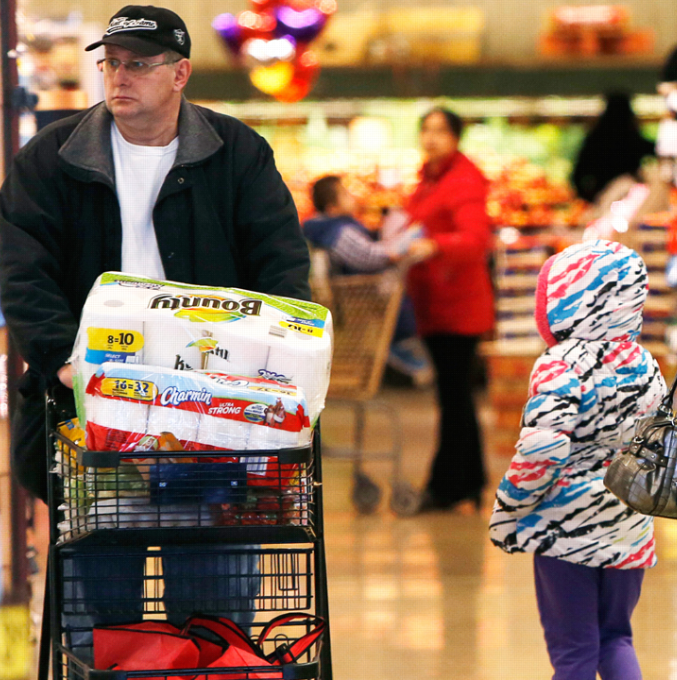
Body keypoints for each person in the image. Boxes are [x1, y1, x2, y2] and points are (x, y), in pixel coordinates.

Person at [0, 5, 308, 658]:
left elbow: (281, 268)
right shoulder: (49, 161)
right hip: (90, 421)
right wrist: (60, 359)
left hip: (214, 427)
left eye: (139, 64)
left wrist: (276, 369)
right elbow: (19, 269)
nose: (120, 77)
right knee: (102, 622)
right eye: (111, 63)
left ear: (181, 74)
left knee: (214, 616)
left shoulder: (237, 154)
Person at [489, 240, 667, 680]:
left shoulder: (559, 365)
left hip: (565, 525)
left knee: (574, 653)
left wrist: (509, 508)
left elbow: (542, 450)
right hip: (628, 518)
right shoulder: (645, 363)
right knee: (616, 638)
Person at [405, 107, 494, 512]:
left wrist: (434, 246)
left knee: (456, 397)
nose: (431, 138)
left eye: (440, 130)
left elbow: (476, 239)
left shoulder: (463, 181)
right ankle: (464, 483)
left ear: (457, 137)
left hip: (458, 307)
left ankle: (452, 486)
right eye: (426, 130)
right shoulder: (428, 180)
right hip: (435, 306)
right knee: (454, 398)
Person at [303, 175, 433, 384]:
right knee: (396, 330)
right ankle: (411, 362)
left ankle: (409, 359)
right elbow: (368, 257)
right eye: (345, 194)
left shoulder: (332, 228)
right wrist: (396, 250)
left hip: (358, 303)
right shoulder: (339, 230)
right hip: (360, 303)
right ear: (332, 207)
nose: (352, 197)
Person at [570, 93, 656, 204]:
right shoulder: (630, 137)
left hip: (620, 194)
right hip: (617, 195)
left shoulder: (596, 138)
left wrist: (587, 196)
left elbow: (578, 173)